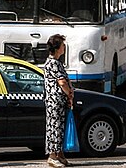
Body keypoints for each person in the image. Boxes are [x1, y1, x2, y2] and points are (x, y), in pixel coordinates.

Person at [43, 34, 75, 168]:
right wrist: (69, 93)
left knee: (60, 127)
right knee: (54, 127)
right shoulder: (53, 64)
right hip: (55, 101)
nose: (64, 48)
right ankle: (52, 156)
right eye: (62, 45)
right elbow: (61, 82)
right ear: (57, 48)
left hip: (58, 101)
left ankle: (60, 154)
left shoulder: (57, 63)